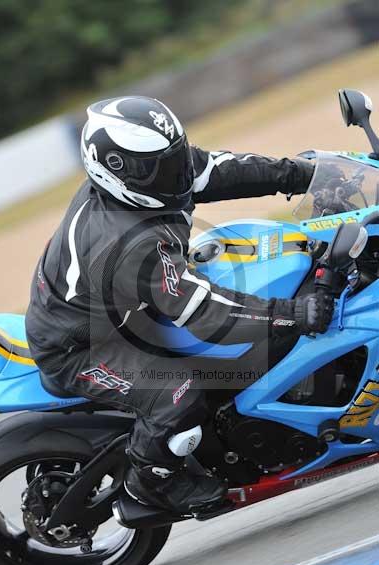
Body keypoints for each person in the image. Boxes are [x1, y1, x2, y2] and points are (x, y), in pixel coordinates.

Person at [25, 96, 334, 514]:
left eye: (172, 157)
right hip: (78, 347)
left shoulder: (153, 179)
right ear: (115, 169)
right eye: (159, 166)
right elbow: (207, 315)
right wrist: (291, 313)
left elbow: (224, 170)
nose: (176, 171)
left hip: (127, 309)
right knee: (177, 391)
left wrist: (304, 174)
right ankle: (150, 480)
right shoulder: (131, 241)